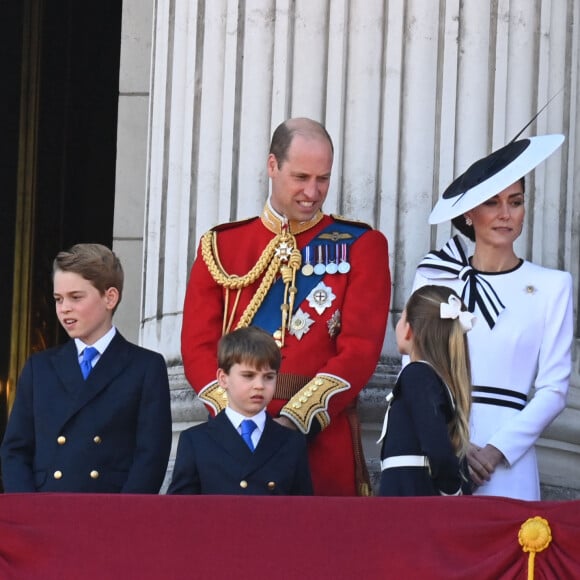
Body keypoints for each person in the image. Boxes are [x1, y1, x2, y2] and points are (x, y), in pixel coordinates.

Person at [181, 117, 391, 496]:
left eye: (323, 179)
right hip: (233, 440)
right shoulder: (220, 246)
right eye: (301, 177)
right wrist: (235, 416)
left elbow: (359, 349)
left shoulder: (361, 244)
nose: (313, 192)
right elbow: (197, 347)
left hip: (319, 441)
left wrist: (296, 419)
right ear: (273, 166)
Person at [412, 133, 573, 500]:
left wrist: (496, 450)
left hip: (509, 461)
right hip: (440, 449)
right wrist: (451, 440)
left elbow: (554, 389)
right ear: (469, 213)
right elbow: (415, 365)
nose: (505, 214)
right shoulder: (435, 276)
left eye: (515, 202)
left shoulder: (552, 286)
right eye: (492, 202)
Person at [1, 243, 172, 493]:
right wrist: (28, 511)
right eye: (58, 299)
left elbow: (151, 456)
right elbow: (15, 450)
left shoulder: (145, 367)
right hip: (44, 513)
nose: (64, 308)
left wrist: (122, 517)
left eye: (76, 297)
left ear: (109, 297)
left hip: (107, 515)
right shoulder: (40, 368)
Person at [168, 326, 313, 495]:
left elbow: (302, 512)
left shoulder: (291, 442)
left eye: (269, 377)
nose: (259, 385)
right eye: (248, 376)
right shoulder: (196, 441)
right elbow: (180, 512)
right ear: (223, 379)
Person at [378, 285, 475, 496]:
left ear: (410, 329)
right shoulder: (430, 377)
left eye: (401, 317)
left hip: (412, 499)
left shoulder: (417, 374)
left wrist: (450, 491)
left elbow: (436, 443)